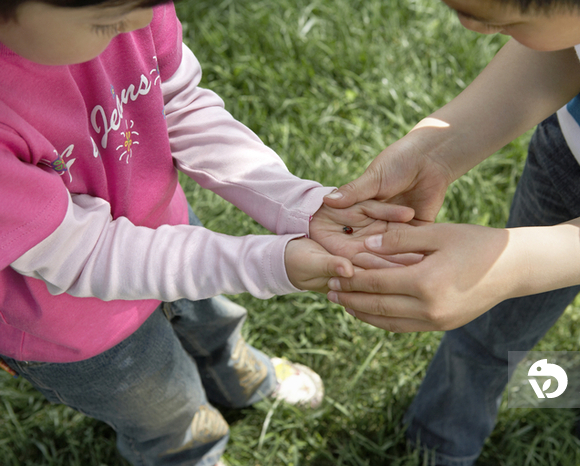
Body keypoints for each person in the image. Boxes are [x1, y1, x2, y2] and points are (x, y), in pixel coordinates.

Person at [0, 1, 416, 465]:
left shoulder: (131, 10)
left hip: (172, 232)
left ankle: (238, 374)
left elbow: (178, 106)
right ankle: (193, 450)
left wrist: (297, 205)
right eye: (108, 21)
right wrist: (268, 263)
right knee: (164, 407)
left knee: (213, 322)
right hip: (76, 330)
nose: (142, 23)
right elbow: (84, 253)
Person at [323, 0, 580, 463]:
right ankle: (440, 436)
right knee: (492, 327)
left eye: (506, 19)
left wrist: (507, 266)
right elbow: (566, 41)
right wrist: (439, 149)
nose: (471, 27)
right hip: (576, 155)